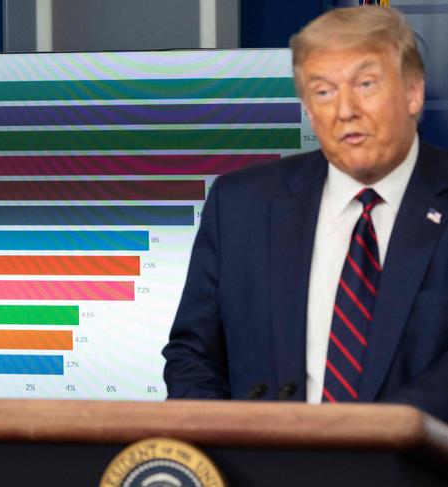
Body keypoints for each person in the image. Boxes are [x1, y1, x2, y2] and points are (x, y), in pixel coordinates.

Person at [162, 6, 448, 423]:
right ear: (309, 109)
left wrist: (364, 442)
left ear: (413, 93)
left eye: (365, 84)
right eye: (323, 91)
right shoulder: (242, 204)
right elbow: (194, 356)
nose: (345, 110)